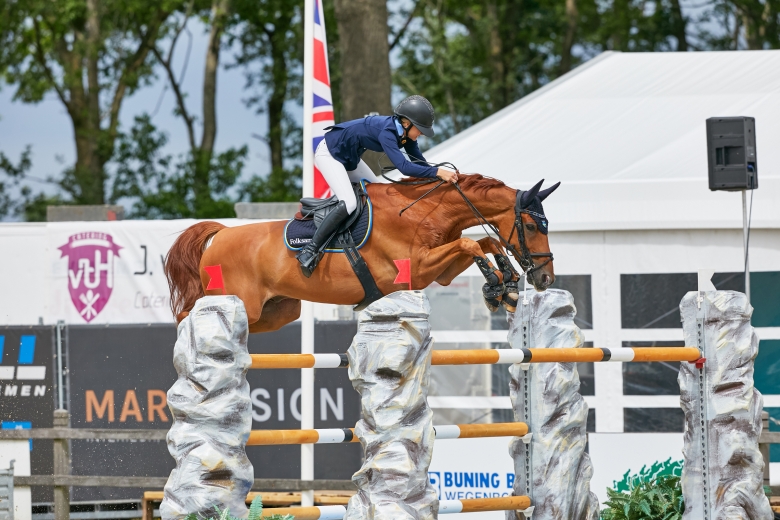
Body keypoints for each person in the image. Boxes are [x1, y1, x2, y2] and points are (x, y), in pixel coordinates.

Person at [296, 95, 459, 277]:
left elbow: (419, 163)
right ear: (406, 123)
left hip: (350, 160)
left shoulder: (406, 135)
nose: (421, 134)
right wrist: (438, 173)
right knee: (349, 203)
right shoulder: (387, 132)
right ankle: (310, 250)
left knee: (381, 195)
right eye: (420, 130)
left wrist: (440, 179)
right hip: (329, 155)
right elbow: (404, 167)